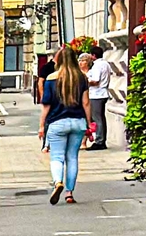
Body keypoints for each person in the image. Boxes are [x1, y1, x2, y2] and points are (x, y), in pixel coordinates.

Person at [43, 51, 89, 204]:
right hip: (78, 122)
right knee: (72, 157)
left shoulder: (51, 79)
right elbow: (86, 103)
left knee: (57, 156)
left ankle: (58, 182)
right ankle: (69, 193)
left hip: (57, 123)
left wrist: (42, 125)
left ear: (58, 60)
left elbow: (46, 106)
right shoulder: (82, 78)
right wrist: (88, 125)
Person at [84, 46, 117, 149]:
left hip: (97, 94)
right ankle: (101, 139)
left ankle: (99, 141)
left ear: (93, 55)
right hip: (103, 93)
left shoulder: (98, 65)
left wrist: (86, 81)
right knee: (101, 118)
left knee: (97, 118)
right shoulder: (106, 64)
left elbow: (95, 81)